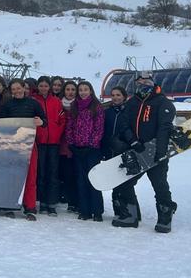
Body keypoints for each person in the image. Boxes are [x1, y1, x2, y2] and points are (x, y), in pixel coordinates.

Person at [112, 72, 178, 233]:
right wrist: (133, 141)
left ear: (152, 83)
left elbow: (164, 128)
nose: (143, 84)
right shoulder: (132, 102)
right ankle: (131, 215)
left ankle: (165, 216)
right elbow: (124, 124)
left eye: (146, 81)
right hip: (136, 151)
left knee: (159, 185)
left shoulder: (163, 103)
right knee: (126, 183)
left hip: (156, 152)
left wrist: (161, 152)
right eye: (140, 82)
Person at [0, 78, 47, 221]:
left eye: (18, 88)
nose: (16, 91)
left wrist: (41, 121)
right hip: (12, 146)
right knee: (11, 176)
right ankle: (10, 205)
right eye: (13, 90)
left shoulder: (33, 103)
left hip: (30, 145)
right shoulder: (7, 105)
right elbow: (1, 124)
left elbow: (44, 120)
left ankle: (30, 206)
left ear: (24, 88)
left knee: (30, 177)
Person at [65, 81, 105, 221]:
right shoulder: (74, 106)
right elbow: (69, 126)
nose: (83, 92)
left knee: (93, 180)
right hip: (78, 148)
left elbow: (99, 128)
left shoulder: (97, 107)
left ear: (91, 91)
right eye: (80, 90)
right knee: (81, 180)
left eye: (85, 89)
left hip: (92, 150)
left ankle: (97, 211)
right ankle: (84, 210)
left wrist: (92, 144)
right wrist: (71, 144)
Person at [31, 76, 65, 216]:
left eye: (46, 86)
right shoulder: (34, 101)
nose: (43, 88)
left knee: (53, 173)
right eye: (41, 86)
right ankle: (42, 202)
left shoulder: (56, 101)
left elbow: (62, 120)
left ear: (49, 87)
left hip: (53, 143)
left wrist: (56, 132)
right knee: (41, 173)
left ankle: (51, 203)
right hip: (40, 142)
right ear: (38, 87)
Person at [102, 86, 137, 222]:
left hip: (124, 151)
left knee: (126, 184)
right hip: (110, 151)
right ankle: (119, 212)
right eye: (113, 95)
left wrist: (127, 144)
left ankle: (130, 213)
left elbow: (131, 130)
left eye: (118, 95)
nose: (115, 97)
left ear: (124, 96)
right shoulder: (108, 112)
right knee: (115, 183)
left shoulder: (129, 111)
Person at [58, 80, 79, 213]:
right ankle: (69, 200)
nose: (70, 92)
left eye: (73, 89)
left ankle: (75, 201)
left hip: (76, 145)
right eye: (68, 89)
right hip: (61, 144)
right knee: (65, 175)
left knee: (76, 175)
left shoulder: (80, 106)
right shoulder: (59, 105)